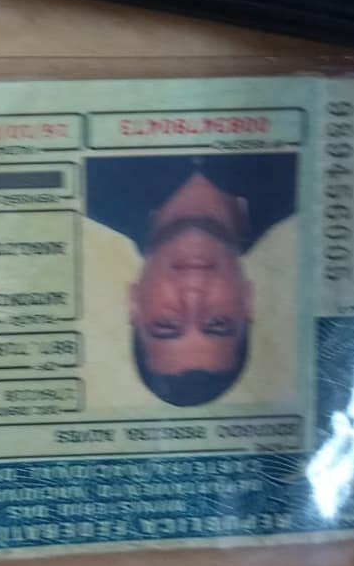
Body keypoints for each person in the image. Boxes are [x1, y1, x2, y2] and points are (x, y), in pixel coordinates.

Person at [84, 153, 295, 407]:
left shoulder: (87, 183)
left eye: (166, 324)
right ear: (247, 301)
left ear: (134, 303)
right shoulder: (299, 179)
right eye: (217, 322)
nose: (193, 292)